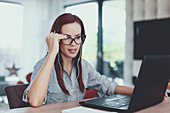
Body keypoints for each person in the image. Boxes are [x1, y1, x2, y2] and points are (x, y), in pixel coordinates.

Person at [22, 13, 166, 107]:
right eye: (67, 38)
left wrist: (144, 91)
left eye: (78, 37)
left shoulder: (84, 66)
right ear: (56, 39)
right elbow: (35, 101)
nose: (74, 43)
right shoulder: (43, 65)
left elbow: (109, 87)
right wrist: (52, 51)